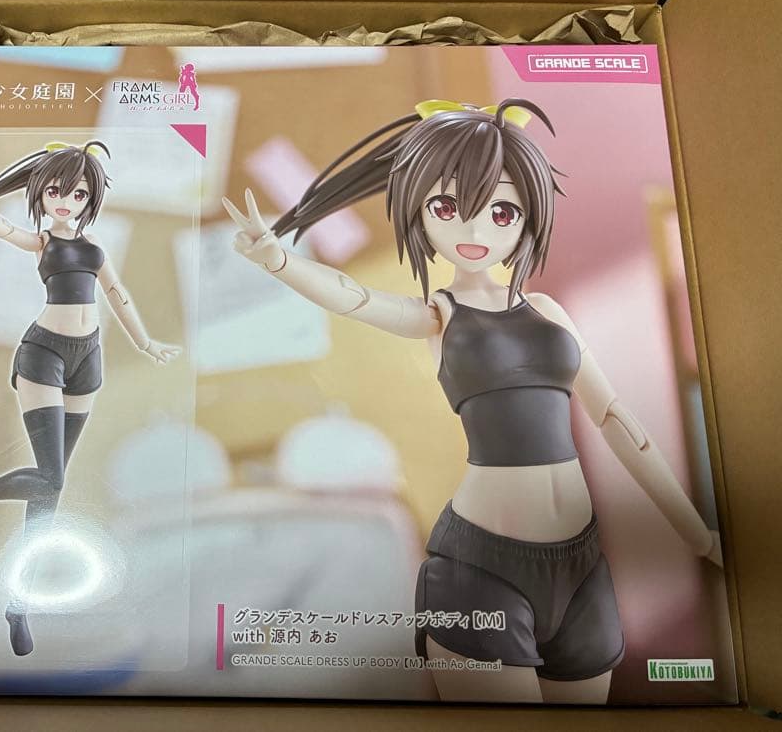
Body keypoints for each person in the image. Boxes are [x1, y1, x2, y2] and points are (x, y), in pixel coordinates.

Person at [222, 99, 721, 703]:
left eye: (501, 210)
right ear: (421, 212)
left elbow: (616, 418)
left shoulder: (547, 311)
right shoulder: (440, 315)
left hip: (581, 566)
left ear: (528, 214)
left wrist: (696, 532)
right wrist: (279, 260)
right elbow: (356, 297)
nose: (476, 232)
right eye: (448, 208)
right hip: (482, 568)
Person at [0, 140, 180, 655]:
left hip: (88, 358)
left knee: (50, 493)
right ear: (41, 196)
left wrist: (145, 342)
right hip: (43, 352)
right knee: (50, 478)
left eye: (77, 193)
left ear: (90, 198)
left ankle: (18, 604)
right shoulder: (43, 241)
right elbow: (7, 232)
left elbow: (118, 295)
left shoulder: (95, 249)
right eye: (55, 192)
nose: (65, 202)